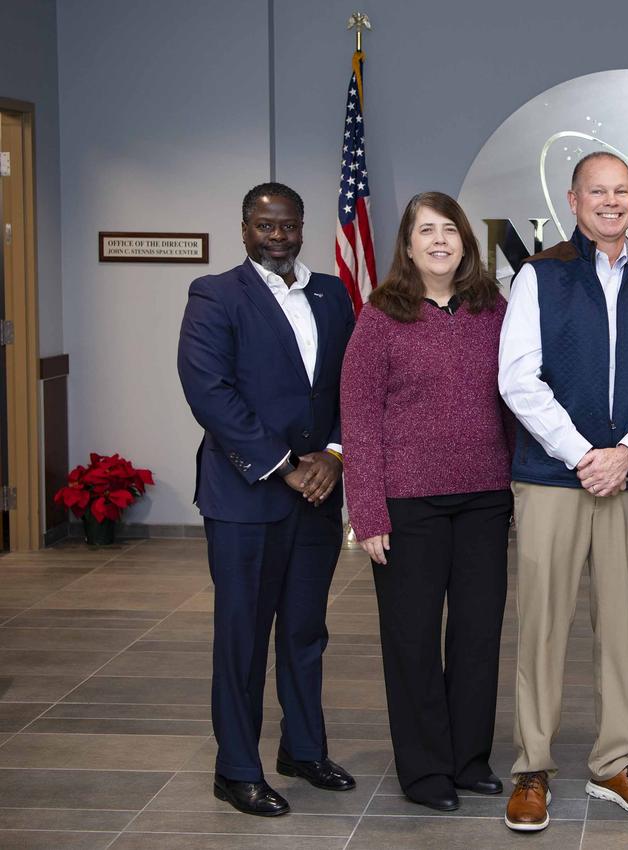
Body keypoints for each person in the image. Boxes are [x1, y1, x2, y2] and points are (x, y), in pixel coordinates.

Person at [498, 151, 628, 832]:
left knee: (620, 624)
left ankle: (616, 762)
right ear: (573, 201)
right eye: (597, 192)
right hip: (553, 477)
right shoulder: (540, 275)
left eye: (621, 191)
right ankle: (532, 766)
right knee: (542, 624)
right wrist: (585, 455)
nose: (611, 202)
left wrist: (627, 453)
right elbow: (518, 379)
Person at [177, 182, 356, 817]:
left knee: (306, 630)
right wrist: (284, 466)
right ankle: (237, 768)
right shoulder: (216, 295)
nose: (276, 237)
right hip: (246, 497)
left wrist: (333, 457)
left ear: (303, 226)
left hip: (317, 495)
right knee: (244, 635)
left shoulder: (333, 293)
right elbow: (211, 393)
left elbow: (351, 386)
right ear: (245, 227)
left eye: (287, 226)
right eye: (263, 225)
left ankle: (303, 749)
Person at [340, 192, 513, 812]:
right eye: (425, 231)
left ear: (465, 241)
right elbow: (358, 419)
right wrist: (368, 512)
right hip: (407, 504)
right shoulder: (380, 317)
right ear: (408, 245)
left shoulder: (495, 309)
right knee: (411, 639)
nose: (439, 240)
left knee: (477, 634)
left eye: (449, 230)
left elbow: (517, 395)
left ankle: (469, 760)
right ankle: (425, 771)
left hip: (485, 499)